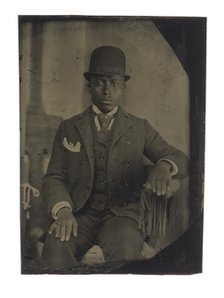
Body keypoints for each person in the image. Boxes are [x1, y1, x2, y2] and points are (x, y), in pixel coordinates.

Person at [41, 45, 189, 269]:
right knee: (56, 244)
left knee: (126, 252)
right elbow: (54, 176)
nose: (107, 90)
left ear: (123, 88)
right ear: (90, 85)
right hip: (79, 214)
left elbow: (178, 157)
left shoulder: (140, 128)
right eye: (100, 82)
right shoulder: (69, 128)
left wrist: (164, 166)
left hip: (122, 217)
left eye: (114, 83)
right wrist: (63, 211)